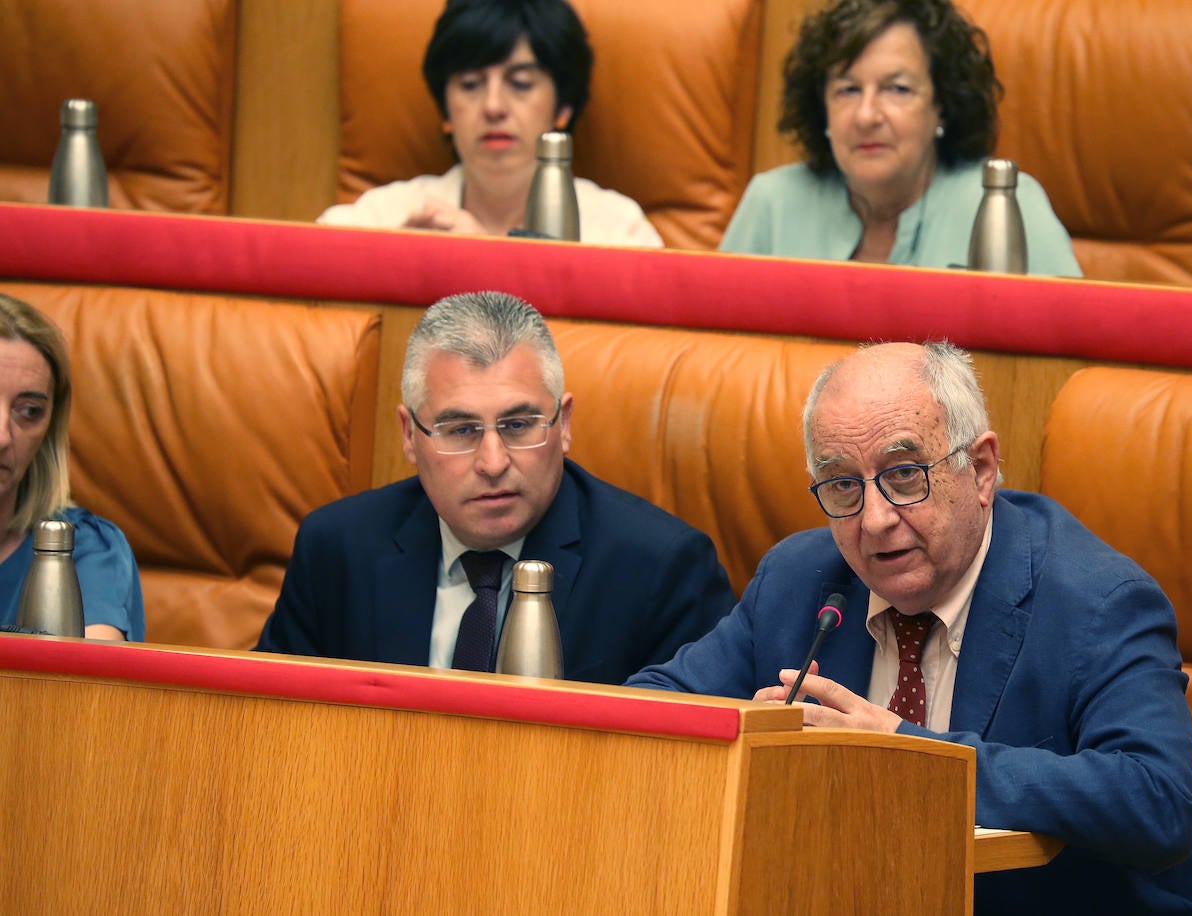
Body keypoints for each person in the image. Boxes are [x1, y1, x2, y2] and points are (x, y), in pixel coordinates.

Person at [627, 341, 1192, 913]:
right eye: (842, 486)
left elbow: (1160, 801)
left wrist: (909, 758)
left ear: (981, 471)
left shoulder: (1097, 601)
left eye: (905, 474)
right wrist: (752, 749)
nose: (875, 520)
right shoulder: (799, 580)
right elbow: (654, 710)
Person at [257, 291, 735, 684]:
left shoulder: (663, 569)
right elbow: (271, 728)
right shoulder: (337, 550)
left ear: (563, 424)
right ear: (409, 435)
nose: (492, 462)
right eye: (460, 430)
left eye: (518, 425)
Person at [719, 0, 1080, 275]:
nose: (866, 116)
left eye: (897, 89)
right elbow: (717, 358)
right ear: (821, 106)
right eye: (847, 90)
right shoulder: (772, 204)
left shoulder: (1002, 206)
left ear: (940, 104)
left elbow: (1068, 364)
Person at [318, 0, 663, 248]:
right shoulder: (387, 217)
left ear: (563, 108)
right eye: (470, 84)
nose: (493, 106)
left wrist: (485, 261)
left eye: (521, 83)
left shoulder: (619, 230)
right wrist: (392, 262)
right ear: (446, 112)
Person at [0, 293, 144, 641]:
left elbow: (81, 689)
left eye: (29, 411)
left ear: (49, 428)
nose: (2, 437)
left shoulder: (82, 548)